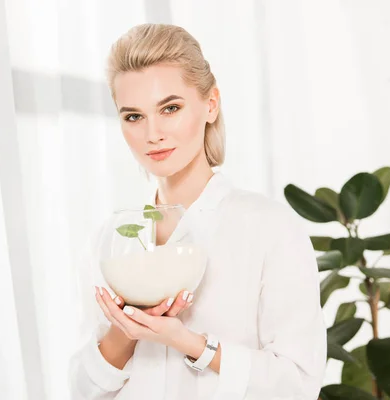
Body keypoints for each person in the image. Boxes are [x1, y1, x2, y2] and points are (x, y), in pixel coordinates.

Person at [68, 23, 326, 400]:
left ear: (210, 104)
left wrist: (190, 343)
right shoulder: (110, 242)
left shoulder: (269, 228)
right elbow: (82, 390)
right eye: (133, 116)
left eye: (170, 108)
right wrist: (126, 330)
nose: (152, 133)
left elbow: (299, 382)